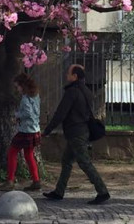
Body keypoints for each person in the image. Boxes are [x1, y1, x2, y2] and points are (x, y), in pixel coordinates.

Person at [41, 64, 110, 204]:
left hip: (76, 132)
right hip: (82, 131)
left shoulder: (72, 92)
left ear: (75, 76)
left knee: (84, 162)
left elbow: (61, 113)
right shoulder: (87, 91)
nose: (67, 76)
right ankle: (59, 192)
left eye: (69, 74)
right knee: (66, 161)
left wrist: (47, 130)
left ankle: (102, 192)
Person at [1, 73, 42, 191]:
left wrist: (17, 115)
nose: (17, 89)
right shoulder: (35, 95)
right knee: (29, 154)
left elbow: (28, 113)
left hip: (25, 130)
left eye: (17, 86)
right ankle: (36, 180)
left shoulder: (25, 98)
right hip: (35, 129)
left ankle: (10, 180)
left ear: (22, 86)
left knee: (12, 152)